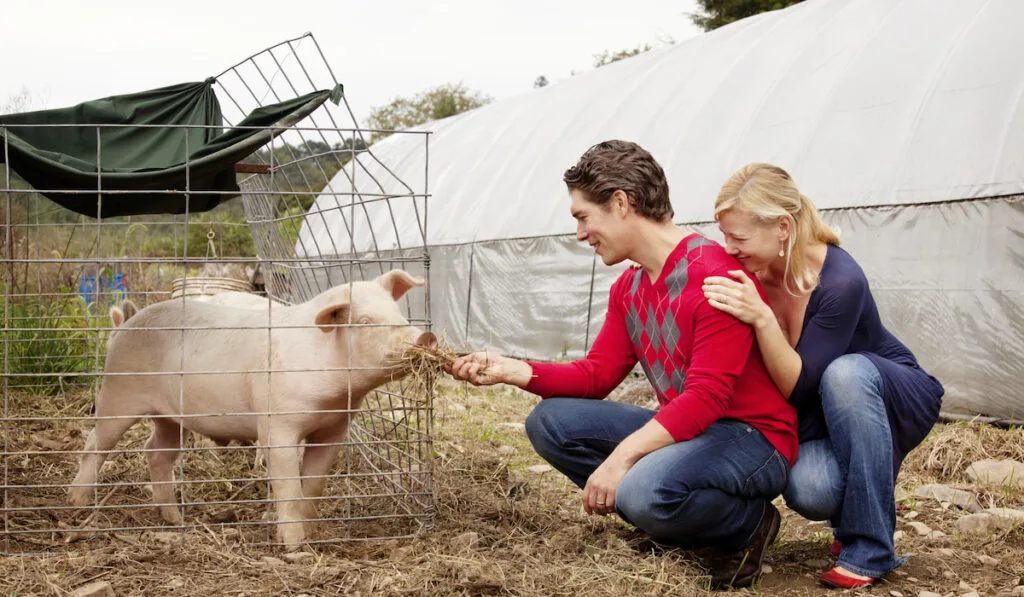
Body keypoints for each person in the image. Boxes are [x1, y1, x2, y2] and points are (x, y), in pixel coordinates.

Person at [446, 141, 798, 589]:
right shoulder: (630, 288)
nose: (579, 234)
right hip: (694, 430)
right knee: (551, 422)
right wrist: (511, 369)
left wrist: (622, 459)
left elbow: (706, 398)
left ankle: (747, 525)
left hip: (753, 438)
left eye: (582, 217)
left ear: (620, 202)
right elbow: (598, 375)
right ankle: (673, 522)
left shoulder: (714, 276)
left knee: (642, 488)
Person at [701, 163, 944, 589]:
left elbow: (800, 384)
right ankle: (852, 510)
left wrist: (762, 318)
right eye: (724, 235)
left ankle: (871, 550)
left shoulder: (840, 281)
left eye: (738, 238)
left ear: (782, 227)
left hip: (887, 391)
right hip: (822, 409)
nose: (729, 248)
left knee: (844, 373)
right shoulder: (751, 272)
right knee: (810, 491)